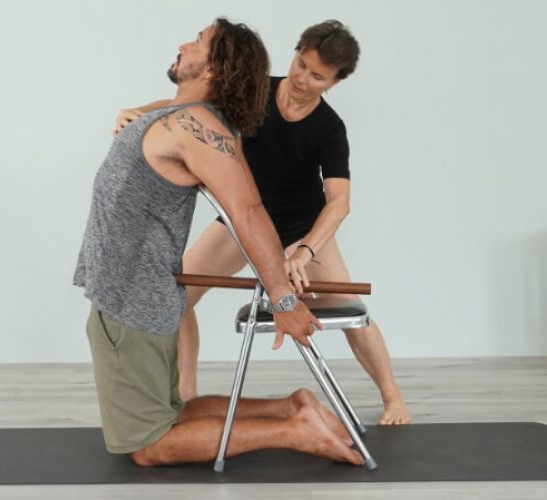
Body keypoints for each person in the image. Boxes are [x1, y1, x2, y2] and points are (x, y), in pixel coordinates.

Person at [73, 18, 364, 467]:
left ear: (212, 68)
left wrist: (284, 301)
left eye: (198, 42)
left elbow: (249, 212)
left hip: (132, 299)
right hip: (133, 294)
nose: (184, 43)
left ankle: (296, 431)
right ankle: (290, 409)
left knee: (149, 446)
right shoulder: (184, 120)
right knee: (172, 414)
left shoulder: (198, 129)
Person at [114, 20, 411, 425]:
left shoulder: (329, 129)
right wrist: (140, 113)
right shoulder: (256, 91)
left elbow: (339, 203)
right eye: (300, 64)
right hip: (242, 225)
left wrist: (306, 249)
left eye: (317, 76)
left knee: (352, 314)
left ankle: (393, 398)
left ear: (335, 82)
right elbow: (187, 107)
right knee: (176, 298)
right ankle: (186, 400)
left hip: (300, 232)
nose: (302, 79)